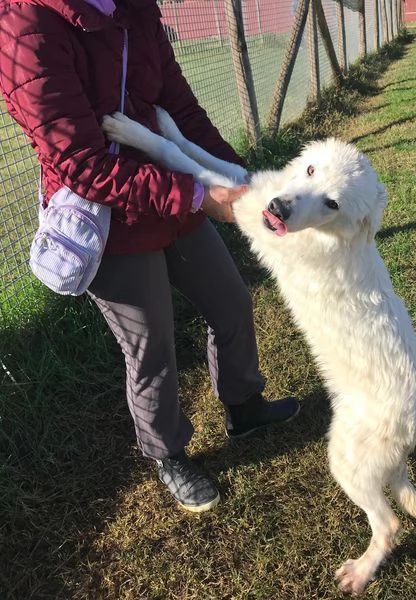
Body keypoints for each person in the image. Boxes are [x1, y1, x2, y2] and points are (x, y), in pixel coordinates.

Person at [0, 0, 300, 513]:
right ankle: (168, 453)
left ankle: (244, 405)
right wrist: (201, 197)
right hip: (106, 215)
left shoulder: (135, 7)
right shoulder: (23, 25)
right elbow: (81, 161)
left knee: (231, 302)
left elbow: (180, 108)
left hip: (174, 193)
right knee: (151, 343)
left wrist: (240, 180)